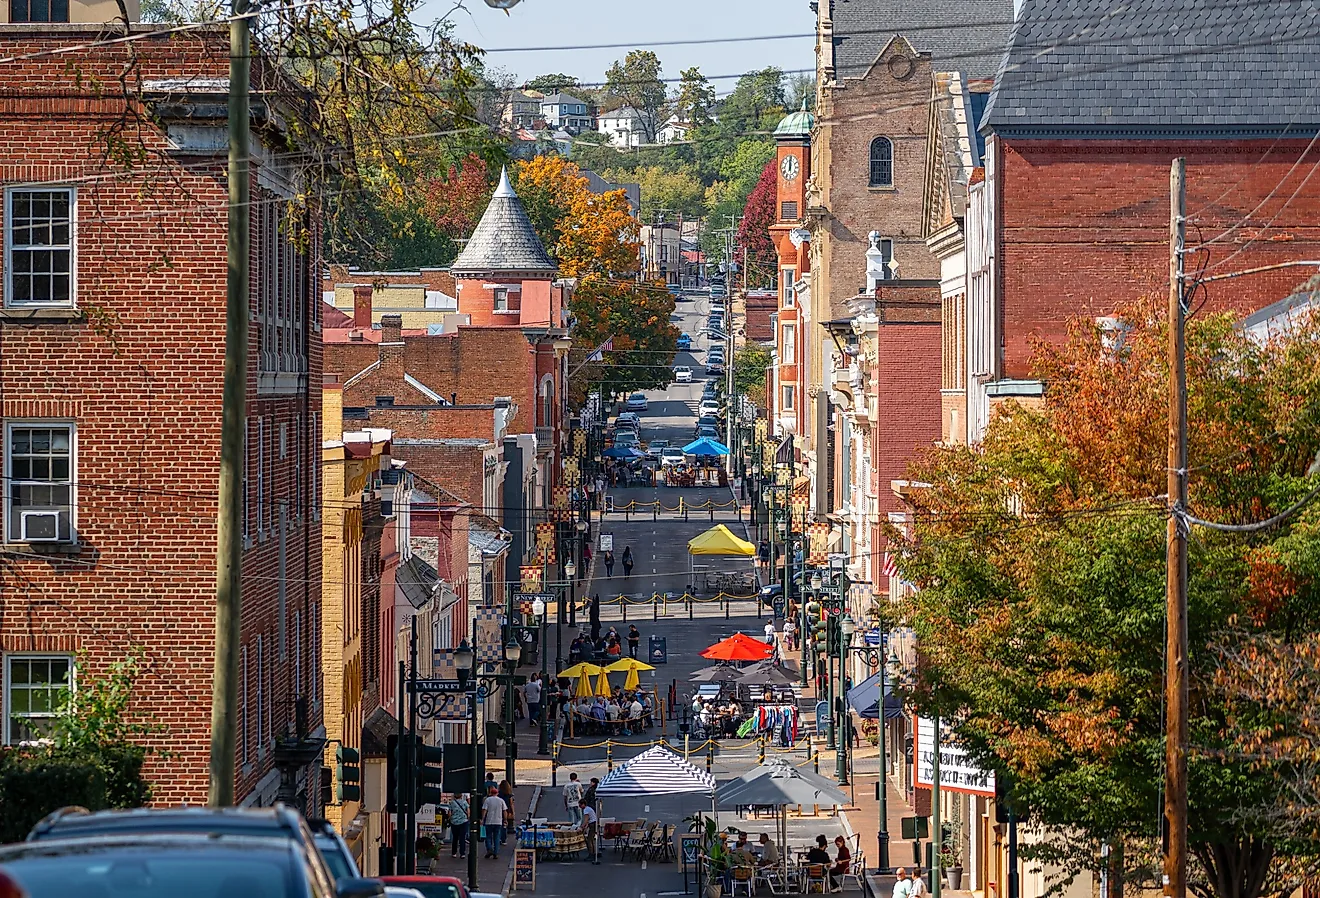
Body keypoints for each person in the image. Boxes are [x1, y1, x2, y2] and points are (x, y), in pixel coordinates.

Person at [481, 786, 507, 859]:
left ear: (490, 793)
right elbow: (504, 811)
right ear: (497, 793)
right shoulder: (501, 800)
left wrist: (482, 819)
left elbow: (484, 810)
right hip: (498, 821)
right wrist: (505, 819)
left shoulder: (487, 800)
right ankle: (496, 853)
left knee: (488, 836)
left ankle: (489, 849)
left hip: (489, 821)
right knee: (497, 837)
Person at [447, 793, 470, 858]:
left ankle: (454, 853)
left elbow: (449, 813)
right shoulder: (465, 802)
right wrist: (467, 818)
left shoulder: (451, 803)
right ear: (461, 796)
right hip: (463, 822)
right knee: (462, 838)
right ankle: (462, 853)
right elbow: (468, 811)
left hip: (454, 822)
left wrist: (450, 818)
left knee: (455, 838)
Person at [581, 801, 601, 865]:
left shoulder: (586, 810)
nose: (580, 807)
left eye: (580, 805)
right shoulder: (589, 808)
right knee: (592, 839)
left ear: (583, 804)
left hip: (592, 824)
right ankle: (594, 853)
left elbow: (586, 819)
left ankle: (591, 854)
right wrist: (586, 827)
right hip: (593, 823)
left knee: (589, 840)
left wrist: (582, 827)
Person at [499, 779, 516, 846]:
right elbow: (511, 804)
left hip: (500, 810)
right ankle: (503, 839)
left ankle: (499, 838)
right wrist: (513, 812)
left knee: (500, 824)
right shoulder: (509, 795)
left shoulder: (499, 794)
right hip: (507, 810)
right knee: (504, 825)